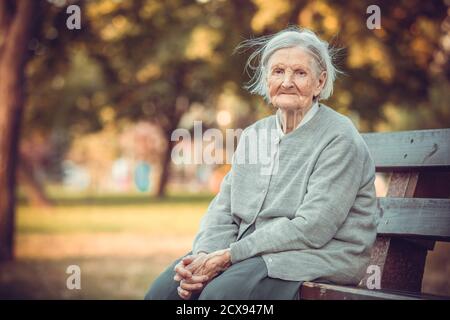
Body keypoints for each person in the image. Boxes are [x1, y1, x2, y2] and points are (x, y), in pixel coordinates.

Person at [145, 26, 378, 300]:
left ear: (319, 82)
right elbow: (224, 208)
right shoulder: (255, 134)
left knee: (220, 297)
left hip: (315, 254)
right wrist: (204, 255)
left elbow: (313, 228)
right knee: (164, 294)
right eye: (278, 71)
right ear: (267, 78)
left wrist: (230, 256)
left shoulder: (339, 137)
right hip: (248, 252)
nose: (287, 81)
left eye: (300, 73)